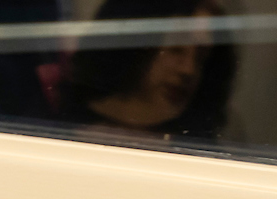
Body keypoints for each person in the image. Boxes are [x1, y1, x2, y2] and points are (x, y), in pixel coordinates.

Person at [55, 0, 237, 140]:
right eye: (175, 48)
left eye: (201, 58)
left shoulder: (202, 153)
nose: (188, 69)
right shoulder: (53, 132)